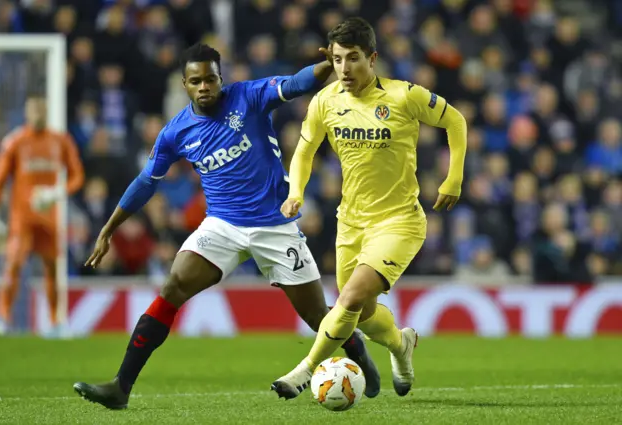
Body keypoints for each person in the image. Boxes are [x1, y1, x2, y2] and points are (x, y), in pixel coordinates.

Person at [73, 43, 380, 410]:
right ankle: (120, 387)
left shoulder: (249, 96)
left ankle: (357, 348)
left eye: (210, 79)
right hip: (221, 225)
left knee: (317, 316)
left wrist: (332, 62)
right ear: (185, 84)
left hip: (274, 225)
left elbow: (297, 83)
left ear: (221, 78)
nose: (204, 86)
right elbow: (145, 182)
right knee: (172, 287)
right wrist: (109, 228)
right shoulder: (175, 132)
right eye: (195, 81)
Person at [271, 17, 467, 399]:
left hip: (399, 222)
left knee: (349, 299)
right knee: (360, 311)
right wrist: (296, 191)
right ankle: (401, 345)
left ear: (372, 58)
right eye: (339, 59)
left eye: (353, 58)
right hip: (351, 223)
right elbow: (304, 151)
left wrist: (454, 178)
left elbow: (455, 121)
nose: (344, 68)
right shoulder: (325, 101)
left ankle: (304, 372)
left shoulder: (404, 96)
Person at [0, 96, 85, 336]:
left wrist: (57, 192)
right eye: (33, 110)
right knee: (14, 264)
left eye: (41, 109)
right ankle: (2, 319)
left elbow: (77, 176)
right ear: (26, 113)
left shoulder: (60, 141)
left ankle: (56, 323)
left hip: (49, 218)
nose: (37, 114)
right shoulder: (16, 141)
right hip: (22, 219)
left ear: (47, 111)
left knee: (51, 268)